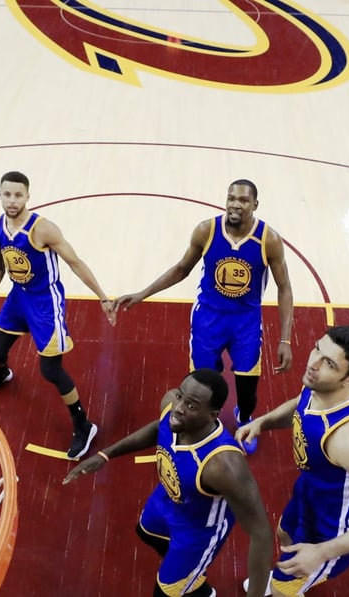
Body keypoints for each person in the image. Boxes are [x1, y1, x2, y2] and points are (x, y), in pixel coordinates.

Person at [111, 179, 294, 454]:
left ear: (255, 205)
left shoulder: (269, 239)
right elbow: (182, 268)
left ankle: (244, 419)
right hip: (208, 319)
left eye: (243, 200)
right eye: (231, 197)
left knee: (247, 388)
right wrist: (142, 293)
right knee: (203, 382)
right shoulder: (206, 231)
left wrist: (285, 340)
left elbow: (285, 288)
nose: (235, 204)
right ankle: (209, 426)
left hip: (245, 321)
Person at [64, 368, 272, 597]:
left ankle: (192, 579)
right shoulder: (173, 408)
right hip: (170, 500)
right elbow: (159, 427)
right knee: (146, 531)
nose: (178, 408)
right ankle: (192, 580)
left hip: (198, 533)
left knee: (164, 592)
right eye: (180, 395)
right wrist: (105, 455)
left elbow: (261, 534)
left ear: (213, 415)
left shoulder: (224, 465)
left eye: (191, 405)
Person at [234, 326, 349, 596]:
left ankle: (288, 587)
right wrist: (263, 423)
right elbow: (302, 403)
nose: (312, 363)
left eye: (329, 363)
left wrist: (321, 552)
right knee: (284, 535)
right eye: (317, 349)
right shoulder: (322, 382)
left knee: (282, 587)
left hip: (333, 527)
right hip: (311, 489)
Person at [0, 170, 114, 460]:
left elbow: (75, 262)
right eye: (7, 194)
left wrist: (102, 296)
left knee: (50, 370)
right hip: (18, 298)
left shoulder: (43, 229)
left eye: (18, 195)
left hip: (45, 303)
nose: (12, 200)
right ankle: (2, 374)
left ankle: (83, 425)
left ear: (28, 196)